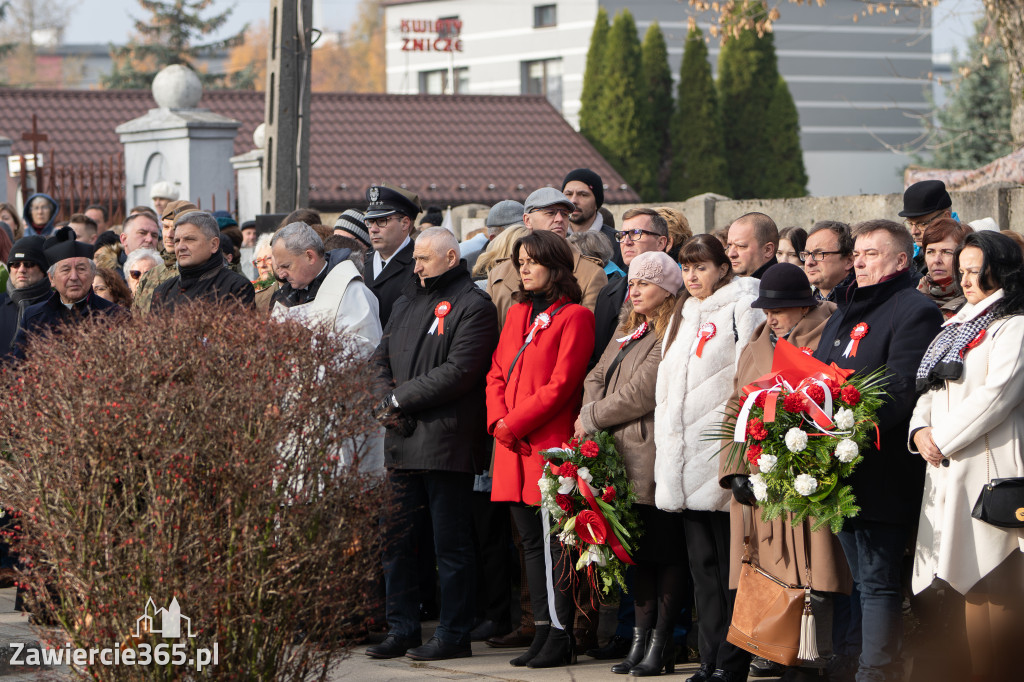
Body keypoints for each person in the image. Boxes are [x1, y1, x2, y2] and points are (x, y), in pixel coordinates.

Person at [812, 219, 943, 682]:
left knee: (880, 583)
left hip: (882, 468)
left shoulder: (915, 309)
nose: (860, 261)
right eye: (858, 253)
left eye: (872, 253)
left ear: (902, 260)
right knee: (861, 582)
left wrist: (843, 431)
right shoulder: (846, 307)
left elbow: (901, 388)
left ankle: (876, 673)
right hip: (838, 465)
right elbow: (819, 375)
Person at [367, 227, 498, 661]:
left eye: (424, 258)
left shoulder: (473, 305)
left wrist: (398, 398)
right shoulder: (406, 300)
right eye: (416, 259)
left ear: (451, 256)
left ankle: (454, 634)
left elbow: (461, 370)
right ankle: (401, 627)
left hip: (445, 441)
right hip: (401, 440)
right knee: (397, 541)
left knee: (451, 545)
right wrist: (384, 398)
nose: (416, 265)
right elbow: (379, 358)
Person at [720, 263, 850, 682]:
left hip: (807, 482)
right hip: (761, 482)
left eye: (780, 310)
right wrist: (733, 471)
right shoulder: (754, 344)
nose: (770, 317)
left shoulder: (830, 337)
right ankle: (772, 652)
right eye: (766, 309)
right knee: (765, 571)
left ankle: (813, 659)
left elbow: (840, 405)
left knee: (814, 574)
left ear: (803, 307)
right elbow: (734, 410)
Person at [910, 230, 1024, 682]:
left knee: (1000, 585)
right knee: (972, 584)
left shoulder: (1013, 324)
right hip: (950, 468)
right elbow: (930, 388)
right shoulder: (956, 323)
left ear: (1004, 270)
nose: (967, 280)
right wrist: (920, 431)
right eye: (964, 271)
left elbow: (998, 396)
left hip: (993, 468)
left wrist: (943, 438)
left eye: (978, 271)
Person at [655, 233, 763, 682]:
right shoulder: (684, 310)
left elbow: (748, 382)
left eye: (702, 266)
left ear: (723, 267)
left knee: (731, 568)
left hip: (721, 460)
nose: (693, 276)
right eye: (686, 267)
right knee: (702, 570)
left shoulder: (743, 302)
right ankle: (709, 658)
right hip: (684, 464)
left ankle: (733, 661)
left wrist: (737, 457)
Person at [486, 230, 595, 669]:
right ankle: (544, 630)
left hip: (545, 447)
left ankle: (563, 631)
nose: (524, 268)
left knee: (556, 545)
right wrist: (498, 421)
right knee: (530, 544)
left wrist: (512, 423)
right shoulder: (516, 313)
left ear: (556, 264)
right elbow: (496, 370)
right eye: (520, 260)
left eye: (532, 260)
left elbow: (561, 387)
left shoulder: (575, 317)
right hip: (511, 445)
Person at [575, 250, 684, 676]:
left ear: (668, 291)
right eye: (633, 282)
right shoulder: (630, 327)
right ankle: (638, 641)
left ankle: (662, 643)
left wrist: (590, 417)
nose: (634, 290)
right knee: (636, 554)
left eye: (646, 283)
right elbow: (595, 376)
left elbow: (642, 392)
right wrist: (590, 415)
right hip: (616, 453)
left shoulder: (669, 333)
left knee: (664, 552)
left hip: (650, 454)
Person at [486, 188, 606, 327]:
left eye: (565, 214)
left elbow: (588, 333)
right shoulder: (499, 272)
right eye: (550, 213)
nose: (560, 219)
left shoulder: (591, 274)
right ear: (527, 220)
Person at [269, 222, 381, 351]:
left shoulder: (351, 290)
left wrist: (310, 339)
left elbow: (368, 347)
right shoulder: (283, 296)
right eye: (279, 267)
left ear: (310, 256)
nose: (281, 275)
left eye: (286, 266)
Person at [12, 227, 122, 358]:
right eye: (65, 270)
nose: (74, 277)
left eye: (81, 269)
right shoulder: (34, 317)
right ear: (51, 278)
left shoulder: (117, 316)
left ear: (93, 275)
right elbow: (19, 367)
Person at [591, 208, 671, 370]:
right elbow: (596, 359)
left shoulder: (677, 293)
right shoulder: (607, 293)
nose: (626, 241)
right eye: (622, 235)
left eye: (635, 233)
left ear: (661, 243)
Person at [151, 211, 255, 312]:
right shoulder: (163, 291)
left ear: (214, 245)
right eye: (177, 241)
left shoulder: (236, 288)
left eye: (190, 239)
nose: (180, 247)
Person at [362, 184, 420, 328]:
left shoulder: (419, 264)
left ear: (405, 223)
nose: (373, 229)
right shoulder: (360, 261)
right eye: (370, 222)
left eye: (382, 221)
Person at [0, 236, 53, 355]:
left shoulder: (57, 305)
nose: (21, 269)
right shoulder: (1, 303)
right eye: (15, 264)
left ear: (44, 270)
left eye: (29, 264)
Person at [562, 168, 623, 270]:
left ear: (597, 202)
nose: (573, 200)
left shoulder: (618, 243)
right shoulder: (553, 238)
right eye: (568, 194)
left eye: (583, 195)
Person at [917, 218, 972, 319]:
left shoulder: (974, 303)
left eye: (946, 252)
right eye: (930, 252)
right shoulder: (912, 299)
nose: (937, 260)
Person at [898, 179, 954, 271]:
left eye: (923, 224)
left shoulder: (965, 249)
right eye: (910, 224)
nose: (914, 231)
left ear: (946, 217)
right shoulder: (907, 249)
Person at [95, 212, 162, 278]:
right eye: (142, 233)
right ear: (124, 239)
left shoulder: (165, 272)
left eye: (154, 235)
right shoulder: (106, 275)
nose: (149, 239)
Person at [803, 220, 855, 303]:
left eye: (819, 254)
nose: (809, 262)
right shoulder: (802, 301)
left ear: (849, 261)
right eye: (806, 254)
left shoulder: (861, 302)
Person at [727, 212, 779, 278]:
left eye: (741, 246)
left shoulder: (778, 286)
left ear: (767, 250)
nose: (731, 254)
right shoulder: (727, 283)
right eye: (729, 245)